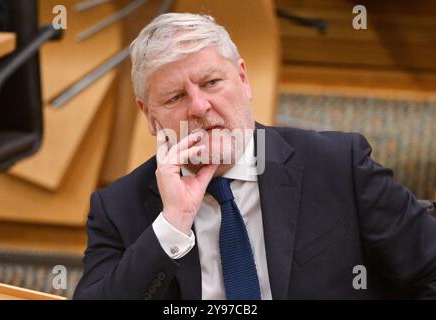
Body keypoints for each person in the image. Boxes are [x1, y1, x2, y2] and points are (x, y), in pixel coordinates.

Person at [73, 13, 436, 300]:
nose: (200, 106)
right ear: (150, 116)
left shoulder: (337, 164)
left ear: (244, 79)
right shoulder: (118, 208)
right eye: (174, 98)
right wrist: (174, 222)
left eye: (212, 83)